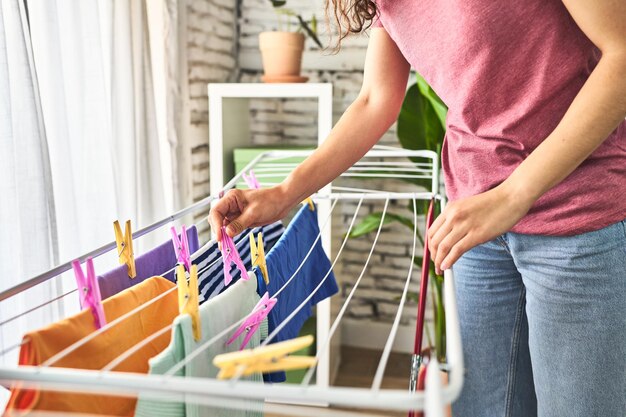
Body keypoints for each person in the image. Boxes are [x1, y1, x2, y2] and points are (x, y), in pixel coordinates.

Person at [209, 0, 626, 415]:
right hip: (475, 227)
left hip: (577, 219)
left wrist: (514, 194)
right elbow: (376, 99)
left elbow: (621, 54)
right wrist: (285, 193)